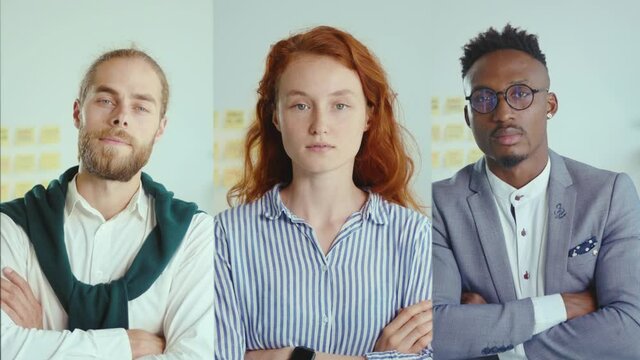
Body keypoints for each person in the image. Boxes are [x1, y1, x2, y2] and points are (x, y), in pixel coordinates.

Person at [215, 26, 433, 360]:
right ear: (276, 115)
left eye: (340, 105)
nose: (320, 125)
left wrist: (288, 357)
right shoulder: (225, 237)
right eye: (300, 105)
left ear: (369, 115)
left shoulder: (414, 237)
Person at [432, 24, 640, 359]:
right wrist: (561, 306)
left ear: (550, 105)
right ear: (468, 116)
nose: (503, 113)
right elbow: (439, 334)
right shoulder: (440, 204)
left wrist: (493, 343)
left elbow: (630, 332)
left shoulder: (609, 194)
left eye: (520, 93)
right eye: (484, 98)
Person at [0, 48, 214, 359]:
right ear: (77, 112)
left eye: (141, 107)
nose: (121, 117)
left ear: (160, 128)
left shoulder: (194, 235)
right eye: (105, 100)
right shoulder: (11, 226)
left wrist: (43, 341)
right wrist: (124, 346)